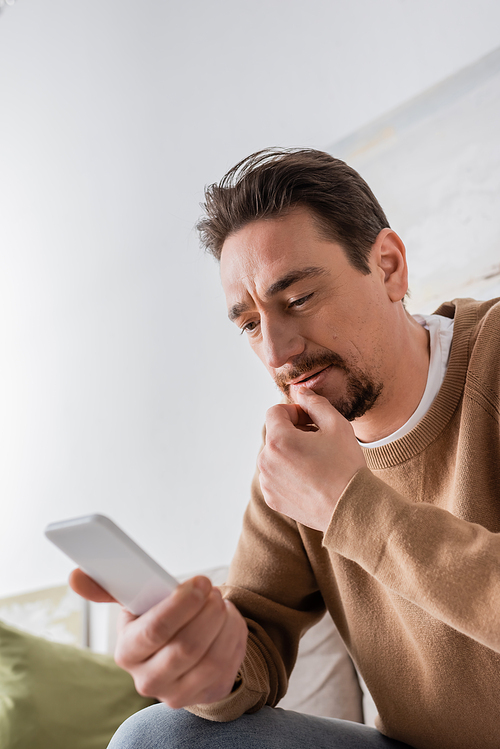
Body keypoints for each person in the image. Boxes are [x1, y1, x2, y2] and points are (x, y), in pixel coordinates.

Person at [71, 148, 500, 749]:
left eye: (297, 299)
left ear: (389, 267)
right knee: (161, 736)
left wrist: (349, 507)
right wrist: (208, 663)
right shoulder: (294, 448)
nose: (276, 352)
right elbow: (255, 647)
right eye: (249, 323)